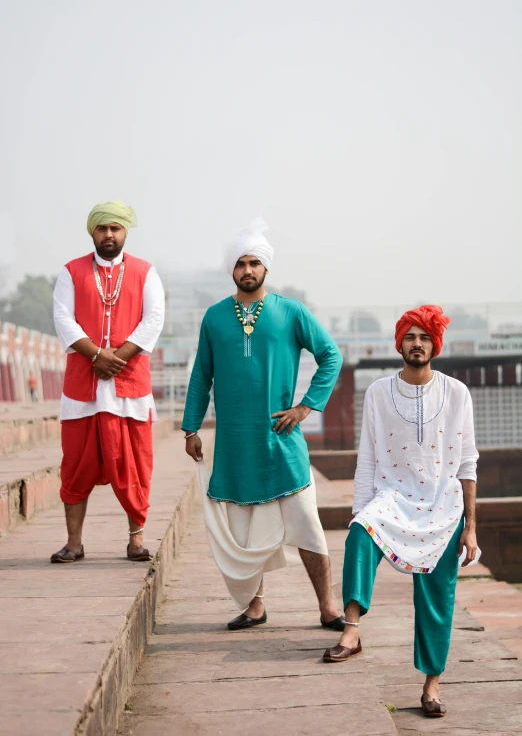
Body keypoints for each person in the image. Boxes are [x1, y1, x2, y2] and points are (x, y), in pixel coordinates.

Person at [183, 219, 345, 631]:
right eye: (240, 263)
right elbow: (202, 376)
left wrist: (306, 407)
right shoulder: (215, 317)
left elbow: (331, 356)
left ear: (266, 268)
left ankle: (327, 607)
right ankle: (256, 606)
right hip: (234, 445)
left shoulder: (291, 312)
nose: (248, 270)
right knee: (241, 529)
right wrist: (190, 428)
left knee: (307, 522)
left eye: (254, 262)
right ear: (231, 270)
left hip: (282, 439)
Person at [323, 305, 479, 719]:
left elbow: (467, 464)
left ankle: (431, 686)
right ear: (400, 344)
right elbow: (369, 459)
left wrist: (471, 528)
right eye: (410, 336)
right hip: (392, 498)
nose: (417, 343)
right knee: (359, 534)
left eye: (424, 337)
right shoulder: (377, 392)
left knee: (437, 599)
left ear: (435, 345)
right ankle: (352, 632)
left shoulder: (457, 393)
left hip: (445, 506)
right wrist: (361, 512)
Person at [51, 200, 165, 563]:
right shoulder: (71, 272)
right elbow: (63, 320)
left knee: (136, 465)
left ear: (125, 232)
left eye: (115, 228)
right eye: (103, 228)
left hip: (129, 387)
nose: (109, 234)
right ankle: (74, 543)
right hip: (83, 389)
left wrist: (118, 357)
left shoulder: (146, 272)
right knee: (75, 464)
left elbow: (154, 319)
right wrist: (97, 356)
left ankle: (136, 541)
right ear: (93, 232)